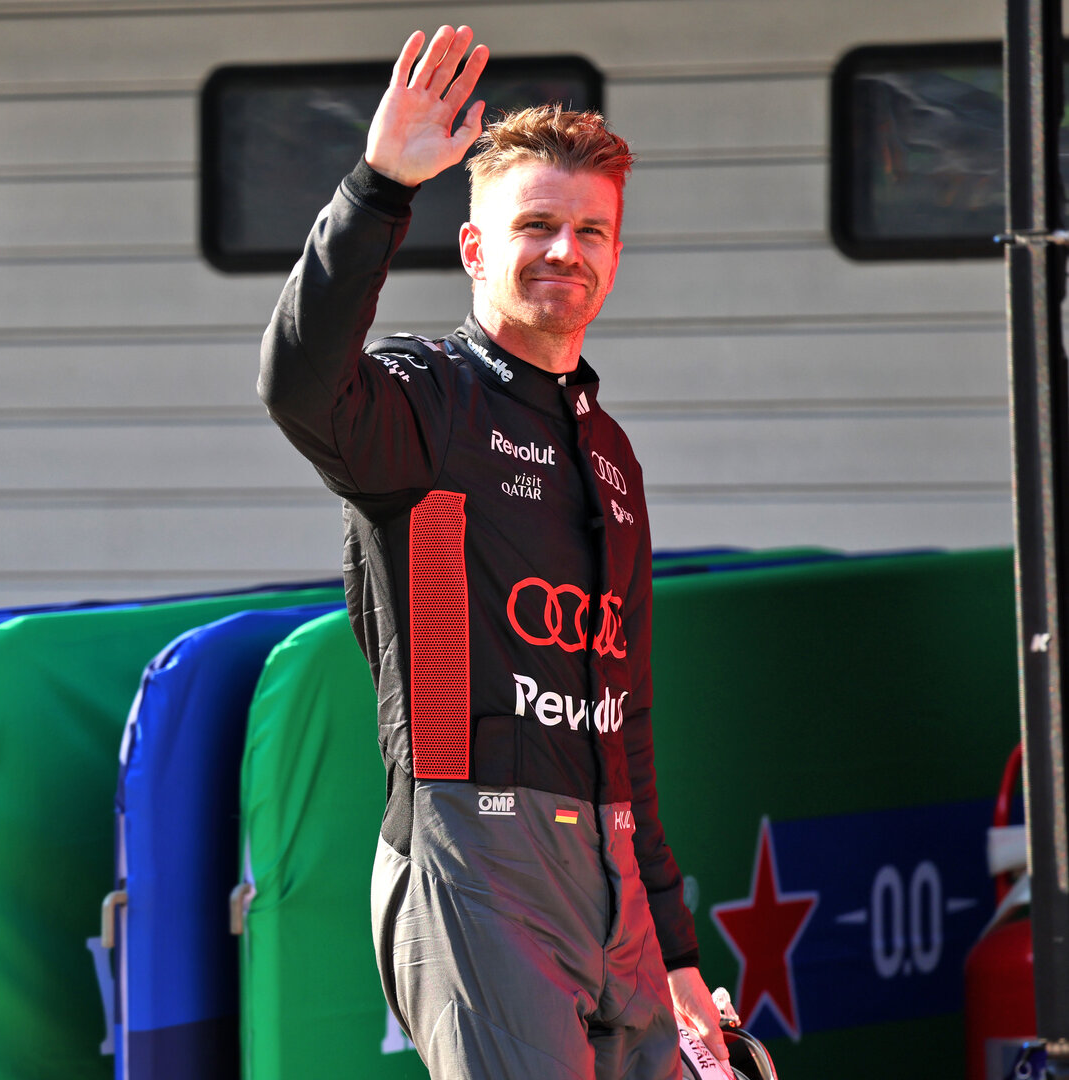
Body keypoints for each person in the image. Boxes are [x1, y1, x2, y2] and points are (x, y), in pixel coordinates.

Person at [259, 25, 729, 1080]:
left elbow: (625, 719)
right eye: (537, 226)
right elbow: (297, 383)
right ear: (475, 249)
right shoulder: (425, 402)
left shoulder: (607, 448)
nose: (567, 250)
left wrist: (678, 948)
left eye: (592, 230)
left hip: (613, 865)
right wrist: (382, 185)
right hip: (477, 844)